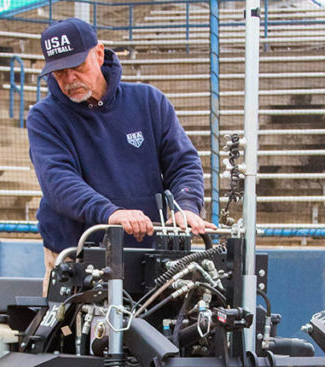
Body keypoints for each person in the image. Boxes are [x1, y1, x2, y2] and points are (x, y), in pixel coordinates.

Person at [26, 17, 214, 280]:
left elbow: (183, 162)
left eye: (77, 66)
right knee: (74, 323)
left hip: (152, 256)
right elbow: (59, 181)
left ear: (99, 54)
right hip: (77, 255)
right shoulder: (44, 117)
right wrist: (111, 213)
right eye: (59, 72)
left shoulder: (149, 101)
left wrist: (186, 206)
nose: (70, 79)